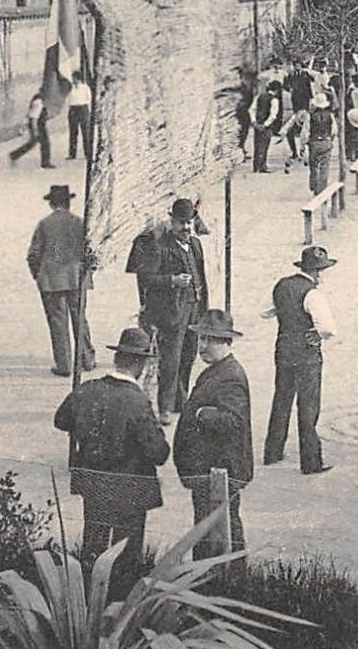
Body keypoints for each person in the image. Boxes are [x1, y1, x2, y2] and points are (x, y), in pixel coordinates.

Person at [55, 327, 170, 588]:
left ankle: (86, 598)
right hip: (130, 488)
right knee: (126, 556)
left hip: (94, 484)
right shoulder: (137, 401)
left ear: (117, 358)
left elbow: (61, 419)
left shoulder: (88, 390)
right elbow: (159, 453)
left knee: (93, 545)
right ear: (141, 364)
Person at [173, 309, 253, 559]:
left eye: (211, 340)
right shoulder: (218, 369)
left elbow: (234, 422)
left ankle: (229, 579)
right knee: (208, 531)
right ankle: (211, 580)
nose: (203, 346)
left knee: (222, 529)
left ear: (227, 342)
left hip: (220, 474)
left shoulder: (230, 376)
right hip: (208, 472)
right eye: (201, 339)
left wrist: (201, 415)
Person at [130, 198, 209, 424]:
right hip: (170, 312)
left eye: (189, 223)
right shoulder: (160, 246)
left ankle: (179, 400)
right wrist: (172, 280)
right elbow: (145, 279)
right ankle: (164, 407)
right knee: (170, 360)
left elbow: (202, 277)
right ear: (172, 222)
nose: (186, 228)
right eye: (181, 223)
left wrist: (203, 307)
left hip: (193, 308)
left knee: (188, 355)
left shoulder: (195, 244)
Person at [262, 246, 338, 475]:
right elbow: (329, 329)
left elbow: (265, 312)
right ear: (317, 273)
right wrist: (315, 333)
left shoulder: (282, 285)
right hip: (306, 355)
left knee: (281, 400)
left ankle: (273, 452)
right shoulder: (312, 294)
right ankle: (311, 461)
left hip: (284, 349)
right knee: (308, 407)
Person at [27, 184, 96, 377]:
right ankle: (87, 359)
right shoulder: (80, 223)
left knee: (58, 322)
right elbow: (91, 252)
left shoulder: (44, 224)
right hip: (76, 277)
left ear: (51, 203)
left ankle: (64, 364)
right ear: (68, 202)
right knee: (80, 317)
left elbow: (33, 254)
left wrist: (38, 274)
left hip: (51, 280)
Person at [8, 90, 55, 168]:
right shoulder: (39, 102)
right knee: (43, 143)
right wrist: (35, 130)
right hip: (37, 125)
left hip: (38, 124)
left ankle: (14, 155)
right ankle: (45, 163)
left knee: (35, 143)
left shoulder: (40, 101)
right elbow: (34, 118)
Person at [305, 91, 338, 195]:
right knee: (325, 166)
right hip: (326, 141)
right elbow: (334, 130)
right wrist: (330, 140)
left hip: (314, 142)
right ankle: (322, 188)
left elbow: (305, 131)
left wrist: (304, 145)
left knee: (314, 166)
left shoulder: (310, 116)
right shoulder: (330, 116)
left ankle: (314, 186)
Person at [249, 73, 282, 173]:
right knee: (264, 145)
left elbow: (252, 109)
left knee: (257, 144)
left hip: (257, 123)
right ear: (277, 90)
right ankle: (262, 166)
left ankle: (256, 166)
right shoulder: (274, 100)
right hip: (266, 126)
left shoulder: (259, 96)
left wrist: (254, 121)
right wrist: (266, 124)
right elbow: (273, 115)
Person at [65, 74, 93, 162]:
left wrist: (87, 110)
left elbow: (89, 98)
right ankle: (72, 154)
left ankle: (88, 153)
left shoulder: (85, 88)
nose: (74, 81)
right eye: (73, 79)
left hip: (83, 108)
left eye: (75, 79)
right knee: (73, 132)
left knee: (86, 132)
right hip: (73, 109)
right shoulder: (70, 88)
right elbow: (67, 99)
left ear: (79, 79)